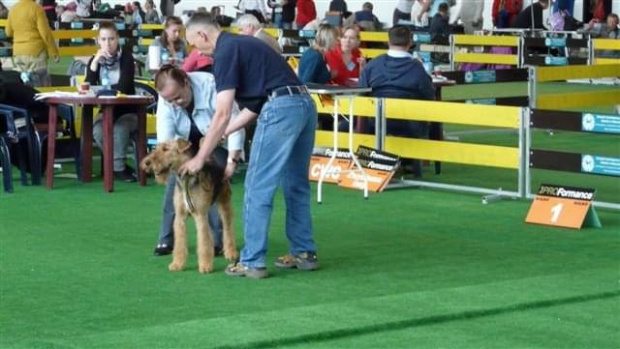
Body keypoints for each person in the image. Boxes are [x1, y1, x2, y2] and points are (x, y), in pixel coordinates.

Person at [183, 12, 319, 279]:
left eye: (195, 44)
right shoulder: (242, 44)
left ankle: (253, 260)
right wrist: (225, 133)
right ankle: (304, 252)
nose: (197, 51)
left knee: (257, 185)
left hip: (280, 108)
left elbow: (222, 112)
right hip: (303, 104)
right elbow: (254, 105)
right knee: (296, 184)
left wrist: (201, 156)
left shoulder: (224, 52)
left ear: (203, 34)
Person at [152, 66, 244, 256]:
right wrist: (167, 163)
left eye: (178, 97)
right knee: (175, 183)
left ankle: (216, 239)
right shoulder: (166, 100)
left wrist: (231, 161)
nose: (175, 103)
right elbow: (166, 139)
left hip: (216, 141)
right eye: (170, 100)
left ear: (186, 82)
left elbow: (234, 121)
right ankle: (166, 238)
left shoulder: (211, 85)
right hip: (183, 147)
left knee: (213, 174)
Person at [356, 25, 435, 177]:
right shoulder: (417, 67)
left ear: (388, 41)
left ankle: (372, 162)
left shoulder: (373, 64)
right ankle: (409, 163)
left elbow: (361, 92)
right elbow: (429, 95)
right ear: (410, 42)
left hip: (377, 121)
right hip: (409, 124)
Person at [85, 22, 138, 182]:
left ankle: (118, 168)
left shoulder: (127, 59)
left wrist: (101, 88)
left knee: (119, 129)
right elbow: (88, 87)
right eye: (103, 39)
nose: (107, 43)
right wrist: (94, 64)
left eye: (111, 39)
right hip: (106, 111)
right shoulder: (94, 61)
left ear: (118, 39)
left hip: (128, 111)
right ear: (98, 41)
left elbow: (123, 86)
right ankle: (118, 166)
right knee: (98, 131)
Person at [6, 0, 60, 87]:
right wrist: (54, 51)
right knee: (41, 87)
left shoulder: (13, 9)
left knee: (23, 86)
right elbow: (45, 34)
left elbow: (8, 32)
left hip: (18, 53)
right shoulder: (36, 9)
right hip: (36, 52)